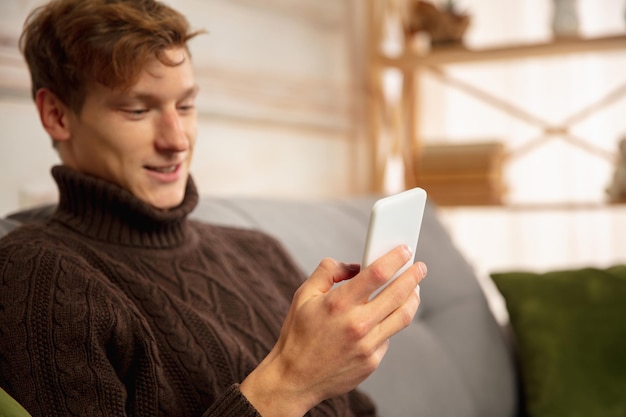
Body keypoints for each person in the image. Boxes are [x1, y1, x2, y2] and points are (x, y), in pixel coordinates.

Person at [0, 0, 427, 416]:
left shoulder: (259, 251)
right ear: (56, 115)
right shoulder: (36, 277)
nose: (177, 139)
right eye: (137, 109)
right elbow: (296, 385)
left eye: (185, 105)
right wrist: (293, 382)